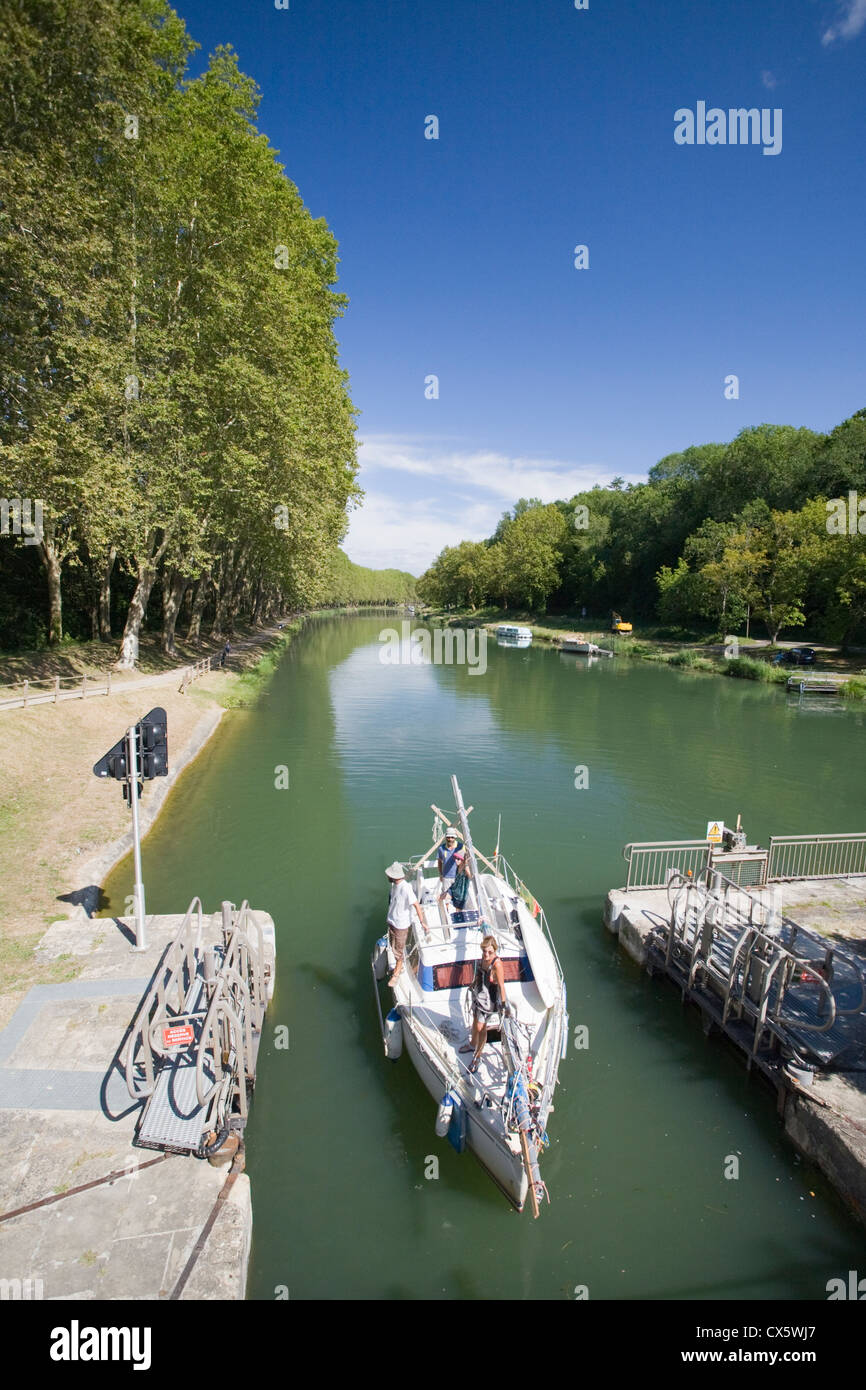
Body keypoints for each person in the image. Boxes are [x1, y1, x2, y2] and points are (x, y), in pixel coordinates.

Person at [460, 935, 507, 1073]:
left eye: (490, 952)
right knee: (475, 1021)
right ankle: (472, 1043)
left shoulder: (497, 964)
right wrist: (473, 984)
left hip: (488, 1000)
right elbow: (479, 974)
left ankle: (477, 1056)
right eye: (484, 951)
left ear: (495, 951)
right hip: (478, 993)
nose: (486, 955)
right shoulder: (483, 958)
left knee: (481, 1027)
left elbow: (502, 986)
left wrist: (503, 1006)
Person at [385, 861, 427, 986]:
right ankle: (399, 964)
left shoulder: (405, 888)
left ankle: (397, 973)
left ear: (394, 876)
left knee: (398, 950)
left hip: (400, 925)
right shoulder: (394, 886)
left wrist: (422, 922)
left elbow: (416, 905)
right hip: (392, 921)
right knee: (394, 947)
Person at [437, 830, 465, 904]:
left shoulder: (461, 846)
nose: (450, 839)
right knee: (446, 898)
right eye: (448, 837)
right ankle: (447, 909)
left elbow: (465, 859)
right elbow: (439, 862)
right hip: (446, 877)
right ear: (446, 837)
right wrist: (440, 874)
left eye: (452, 837)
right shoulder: (441, 848)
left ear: (455, 838)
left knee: (458, 896)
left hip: (458, 876)